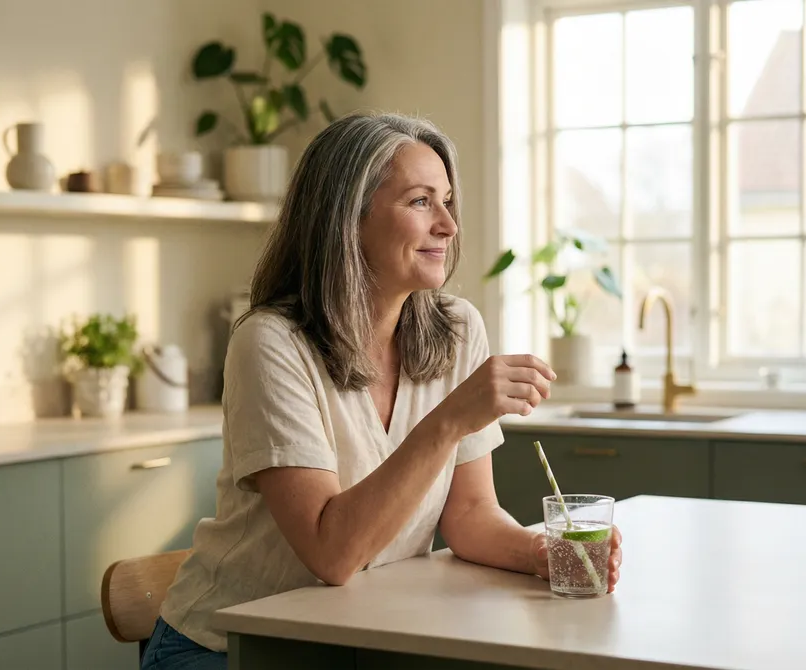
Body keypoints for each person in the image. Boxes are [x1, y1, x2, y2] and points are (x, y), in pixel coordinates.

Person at [141, 111, 623, 670]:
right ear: (348, 218)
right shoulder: (271, 343)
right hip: (229, 648)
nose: (447, 223)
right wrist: (448, 420)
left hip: (361, 639)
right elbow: (333, 554)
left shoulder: (457, 329)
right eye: (420, 201)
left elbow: (469, 514)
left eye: (446, 201)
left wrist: (542, 553)